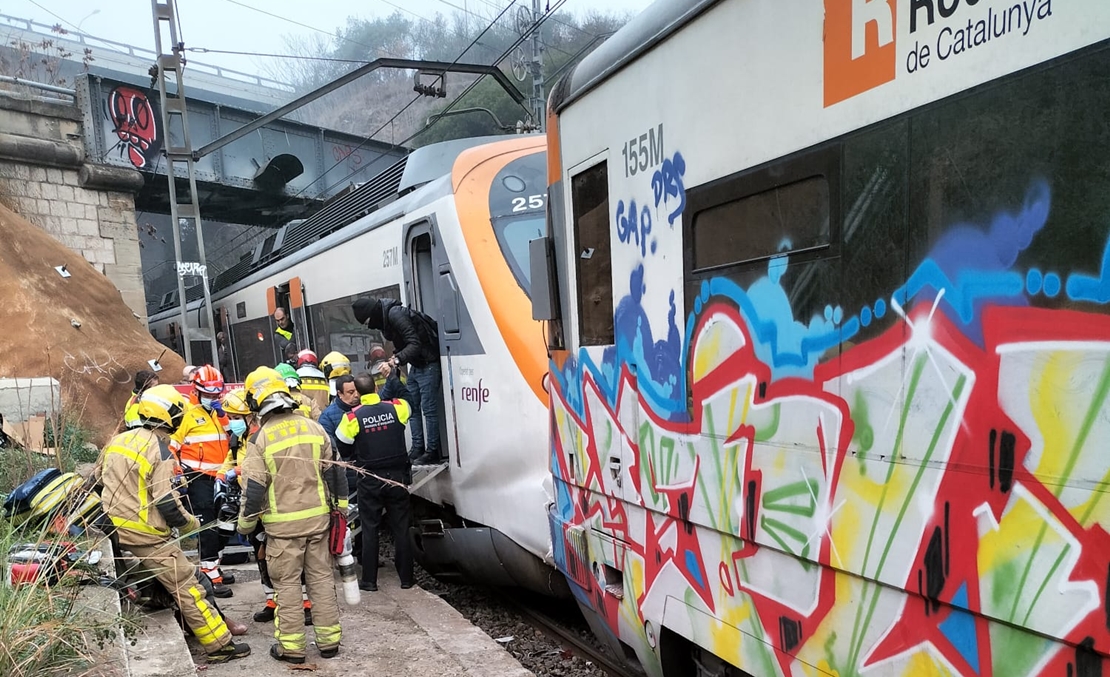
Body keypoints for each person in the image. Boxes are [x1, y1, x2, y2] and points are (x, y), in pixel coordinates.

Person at [97, 384, 251, 663]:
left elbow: (99, 481)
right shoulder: (160, 450)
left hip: (116, 527)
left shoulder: (117, 441)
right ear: (168, 415)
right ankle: (220, 646)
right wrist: (190, 523)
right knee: (189, 587)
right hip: (146, 534)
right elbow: (166, 502)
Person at [237, 367, 347, 664]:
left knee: (286, 587)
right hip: (318, 522)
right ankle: (329, 643)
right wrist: (342, 510)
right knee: (322, 580)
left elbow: (255, 490)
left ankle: (293, 648)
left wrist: (245, 525)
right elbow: (336, 473)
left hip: (283, 530)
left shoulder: (260, 439)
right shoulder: (314, 428)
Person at [219, 388, 313, 627]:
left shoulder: (262, 436)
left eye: (234, 416)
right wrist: (223, 473)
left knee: (289, 557)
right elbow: (232, 460)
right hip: (251, 501)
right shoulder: (237, 438)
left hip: (272, 503)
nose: (230, 422)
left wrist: (238, 472)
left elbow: (263, 468)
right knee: (261, 556)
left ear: (249, 416)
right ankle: (272, 602)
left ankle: (304, 603)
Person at [335, 371, 414, 592]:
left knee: (370, 528)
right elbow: (411, 402)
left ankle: (369, 581)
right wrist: (395, 379)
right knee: (401, 528)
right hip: (398, 478)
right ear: (376, 389)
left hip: (369, 479)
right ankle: (407, 579)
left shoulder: (352, 417)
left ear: (358, 393)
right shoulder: (397, 407)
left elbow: (343, 444)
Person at [352, 297, 442, 465]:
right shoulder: (388, 316)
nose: (370, 325)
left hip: (428, 362)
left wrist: (395, 360)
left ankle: (432, 451)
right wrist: (396, 357)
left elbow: (414, 343)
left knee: (428, 409)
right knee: (413, 407)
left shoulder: (395, 315)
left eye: (368, 321)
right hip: (418, 363)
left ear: (373, 314)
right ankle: (418, 448)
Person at [171, 365, 235, 597]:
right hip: (198, 479)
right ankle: (210, 575)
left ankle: (213, 565)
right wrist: (179, 473)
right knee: (208, 527)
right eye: (208, 395)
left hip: (221, 478)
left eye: (215, 394)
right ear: (197, 391)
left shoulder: (219, 412)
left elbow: (230, 437)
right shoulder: (186, 414)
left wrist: (221, 414)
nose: (212, 398)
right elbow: (172, 446)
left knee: (226, 525)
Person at [319, 374, 359, 491]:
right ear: (340, 394)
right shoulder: (327, 416)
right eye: (350, 392)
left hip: (368, 475)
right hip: (347, 477)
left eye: (357, 391)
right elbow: (329, 449)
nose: (356, 395)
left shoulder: (364, 408)